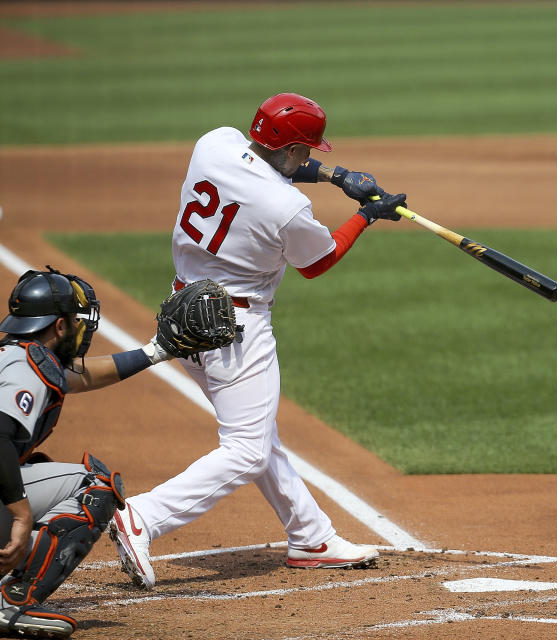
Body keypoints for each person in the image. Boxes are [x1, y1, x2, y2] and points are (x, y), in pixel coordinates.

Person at [109, 92, 408, 590]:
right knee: (248, 448)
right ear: (291, 150)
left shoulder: (216, 143)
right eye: (308, 152)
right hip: (235, 331)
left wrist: (337, 178)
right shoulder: (287, 206)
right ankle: (144, 515)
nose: (311, 159)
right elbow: (319, 261)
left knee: (259, 435)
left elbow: (268, 166)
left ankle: (311, 537)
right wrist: (368, 215)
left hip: (183, 315)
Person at [0, 267, 188, 638]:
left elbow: (81, 375)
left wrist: (156, 352)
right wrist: (20, 515)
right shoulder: (26, 368)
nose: (82, 328)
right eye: (75, 320)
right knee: (94, 485)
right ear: (58, 327)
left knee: (33, 469)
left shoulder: (19, 355)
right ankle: (11, 601)